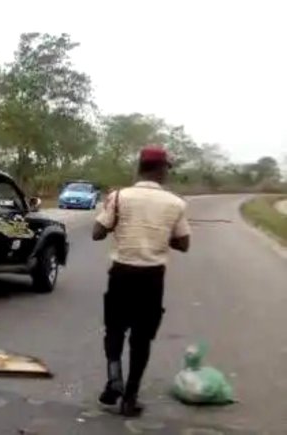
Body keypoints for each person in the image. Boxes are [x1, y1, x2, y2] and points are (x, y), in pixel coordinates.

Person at [92, 145, 191, 417]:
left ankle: (114, 378)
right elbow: (184, 244)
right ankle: (130, 398)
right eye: (167, 169)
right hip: (151, 279)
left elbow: (97, 233)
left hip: (121, 274)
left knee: (114, 329)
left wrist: (115, 220)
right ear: (161, 170)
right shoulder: (175, 204)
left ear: (139, 168)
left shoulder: (119, 197)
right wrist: (161, 233)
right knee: (141, 339)